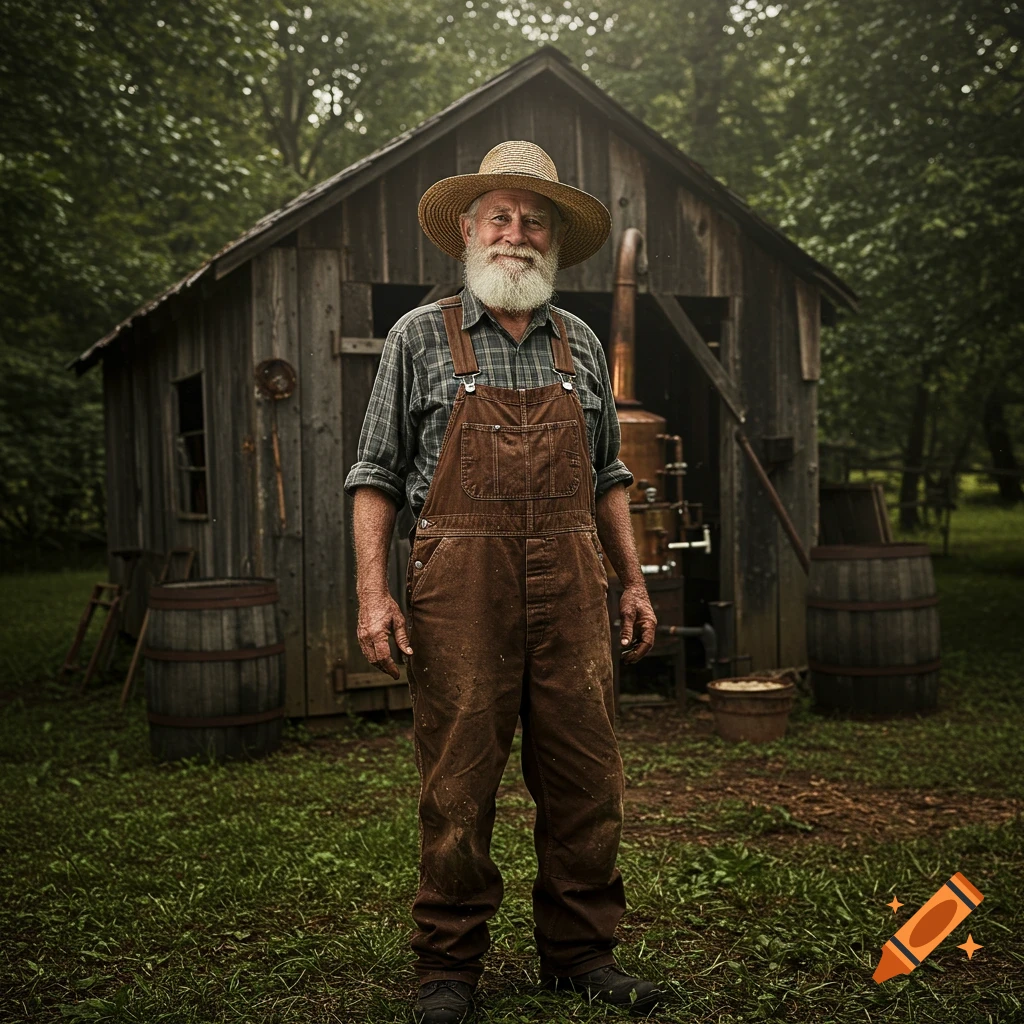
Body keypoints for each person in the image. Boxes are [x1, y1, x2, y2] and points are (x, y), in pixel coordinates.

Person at [344, 141, 662, 1023]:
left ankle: (581, 953)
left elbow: (609, 476)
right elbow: (374, 474)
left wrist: (632, 582)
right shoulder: (419, 337)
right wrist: (373, 593)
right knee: (457, 780)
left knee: (586, 777)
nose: (516, 234)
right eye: (500, 217)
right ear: (468, 231)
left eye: (534, 221)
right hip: (459, 591)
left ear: (553, 240)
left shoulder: (579, 343)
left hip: (572, 588)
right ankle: (448, 966)